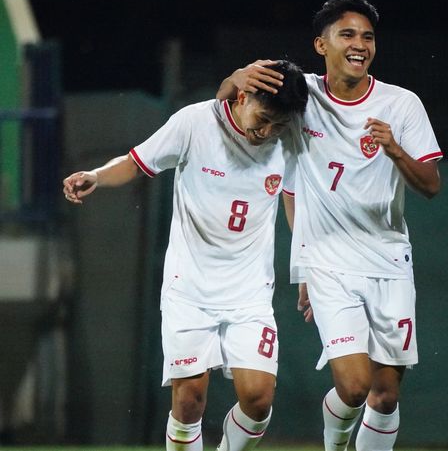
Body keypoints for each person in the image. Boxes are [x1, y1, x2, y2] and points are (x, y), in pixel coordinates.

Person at [216, 0, 442, 451]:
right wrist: (233, 79)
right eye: (348, 34)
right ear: (321, 44)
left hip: (389, 259)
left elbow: (431, 185)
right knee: (355, 386)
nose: (359, 44)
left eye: (367, 36)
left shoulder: (402, 104)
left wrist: (395, 149)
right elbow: (230, 110)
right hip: (329, 264)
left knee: (385, 395)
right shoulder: (302, 97)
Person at [63, 60, 308, 451]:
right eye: (262, 119)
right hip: (189, 290)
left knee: (259, 399)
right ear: (242, 96)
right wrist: (96, 175)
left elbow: (297, 209)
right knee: (189, 401)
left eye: (277, 126)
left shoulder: (288, 141)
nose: (267, 132)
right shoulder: (194, 123)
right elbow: (134, 162)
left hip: (250, 295)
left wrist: (306, 269)